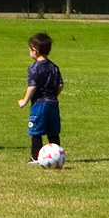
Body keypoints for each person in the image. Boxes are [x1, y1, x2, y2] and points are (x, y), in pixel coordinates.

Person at [17, 33, 64, 163]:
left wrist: (24, 101)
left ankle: (35, 157)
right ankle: (57, 156)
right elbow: (60, 84)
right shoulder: (54, 67)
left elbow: (32, 86)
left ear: (35, 50)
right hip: (53, 104)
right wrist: (53, 96)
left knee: (36, 130)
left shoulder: (34, 67)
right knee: (53, 131)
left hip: (39, 104)